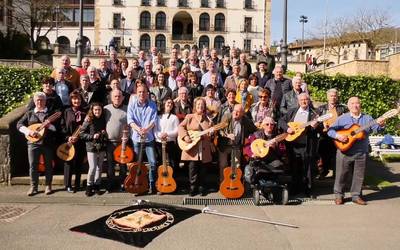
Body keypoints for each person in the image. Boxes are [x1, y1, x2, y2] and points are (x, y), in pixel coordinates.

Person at [328, 97, 385, 205]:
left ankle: (356, 196)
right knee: (341, 174)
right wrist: (338, 136)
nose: (355, 105)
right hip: (344, 151)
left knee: (359, 175)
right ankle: (339, 196)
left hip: (361, 152)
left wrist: (381, 124)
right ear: (348, 106)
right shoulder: (342, 118)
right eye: (352, 103)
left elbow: (376, 129)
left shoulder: (368, 119)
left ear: (360, 105)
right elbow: (330, 130)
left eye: (357, 103)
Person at [279, 93, 321, 197]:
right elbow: (281, 121)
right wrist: (287, 128)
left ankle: (308, 190)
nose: (303, 101)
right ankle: (295, 188)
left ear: (309, 100)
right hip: (293, 144)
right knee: (295, 166)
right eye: (301, 100)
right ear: (298, 101)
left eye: (306, 99)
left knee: (308, 167)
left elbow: (321, 128)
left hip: (307, 145)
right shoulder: (292, 111)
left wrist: (315, 126)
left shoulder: (315, 113)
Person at [17, 92, 58, 196]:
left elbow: (57, 129)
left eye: (41, 100)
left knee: (48, 165)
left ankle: (48, 186)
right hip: (32, 143)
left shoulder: (51, 114)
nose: (39, 102)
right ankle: (33, 187)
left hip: (47, 143)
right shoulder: (29, 113)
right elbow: (19, 124)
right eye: (37, 100)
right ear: (34, 102)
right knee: (33, 165)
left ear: (45, 101)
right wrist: (29, 132)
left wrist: (49, 126)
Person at [178, 97, 214, 196]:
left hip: (204, 148)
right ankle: (192, 188)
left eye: (202, 105)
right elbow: (180, 127)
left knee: (203, 169)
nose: (200, 106)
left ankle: (202, 188)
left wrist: (211, 133)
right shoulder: (189, 116)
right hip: (193, 148)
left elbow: (211, 135)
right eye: (198, 104)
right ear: (195, 106)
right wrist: (185, 137)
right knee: (192, 169)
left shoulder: (208, 119)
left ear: (204, 107)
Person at [127, 85, 158, 194]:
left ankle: (151, 185)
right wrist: (138, 130)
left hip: (149, 138)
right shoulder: (132, 105)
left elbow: (154, 121)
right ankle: (139, 185)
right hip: (136, 137)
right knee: (137, 165)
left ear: (147, 93)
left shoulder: (152, 105)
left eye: (144, 92)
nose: (142, 94)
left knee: (153, 163)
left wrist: (146, 130)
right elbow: (130, 120)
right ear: (136, 93)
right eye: (139, 92)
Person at [217, 104, 257, 182]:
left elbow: (254, 129)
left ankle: (235, 183)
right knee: (223, 164)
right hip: (224, 145)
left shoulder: (245, 120)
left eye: (238, 112)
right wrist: (227, 135)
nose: (235, 113)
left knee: (237, 165)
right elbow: (219, 130)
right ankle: (223, 183)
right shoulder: (227, 116)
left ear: (242, 113)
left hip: (236, 146)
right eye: (234, 111)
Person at [316, 88, 348, 179]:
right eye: (331, 96)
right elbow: (316, 121)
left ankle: (336, 175)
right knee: (323, 154)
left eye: (335, 96)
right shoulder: (321, 108)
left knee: (337, 155)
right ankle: (323, 172)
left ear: (337, 97)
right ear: (327, 97)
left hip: (338, 135)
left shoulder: (343, 108)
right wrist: (322, 127)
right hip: (325, 135)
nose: (333, 97)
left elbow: (347, 121)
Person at [244, 116, 284, 185]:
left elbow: (282, 150)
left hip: (272, 160)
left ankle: (272, 183)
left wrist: (275, 147)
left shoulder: (277, 136)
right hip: (259, 159)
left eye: (272, 124)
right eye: (267, 124)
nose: (269, 126)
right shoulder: (256, 135)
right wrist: (253, 154)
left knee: (279, 165)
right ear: (263, 125)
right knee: (256, 167)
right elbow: (247, 147)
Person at [60, 90, 87, 193]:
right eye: (74, 99)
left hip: (80, 142)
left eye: (78, 99)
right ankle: (68, 185)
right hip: (69, 141)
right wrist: (68, 137)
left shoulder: (85, 112)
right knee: (68, 163)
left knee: (79, 164)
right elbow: (62, 126)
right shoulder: (66, 112)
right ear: (71, 100)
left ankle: (77, 184)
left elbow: (86, 128)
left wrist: (80, 137)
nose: (77, 101)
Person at [80, 103, 108, 196]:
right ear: (92, 110)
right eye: (95, 110)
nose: (97, 112)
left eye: (99, 109)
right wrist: (92, 136)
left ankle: (97, 185)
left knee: (99, 168)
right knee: (92, 167)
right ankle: (89, 186)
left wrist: (103, 132)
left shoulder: (103, 119)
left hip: (101, 146)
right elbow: (81, 134)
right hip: (91, 147)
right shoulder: (88, 120)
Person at [103, 89, 128, 192]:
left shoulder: (127, 109)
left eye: (119, 96)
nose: (117, 98)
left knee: (123, 165)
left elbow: (129, 125)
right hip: (109, 142)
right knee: (110, 165)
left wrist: (127, 137)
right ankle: (110, 184)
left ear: (123, 98)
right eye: (115, 96)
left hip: (123, 143)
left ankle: (122, 183)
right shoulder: (105, 109)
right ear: (111, 98)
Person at [155, 98, 180, 171]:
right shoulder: (158, 117)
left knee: (172, 162)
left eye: (171, 103)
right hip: (159, 142)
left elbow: (177, 131)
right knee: (159, 161)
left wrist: (167, 134)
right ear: (164, 104)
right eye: (168, 102)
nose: (170, 104)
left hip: (170, 142)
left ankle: (172, 179)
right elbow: (155, 130)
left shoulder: (175, 117)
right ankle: (159, 179)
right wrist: (160, 135)